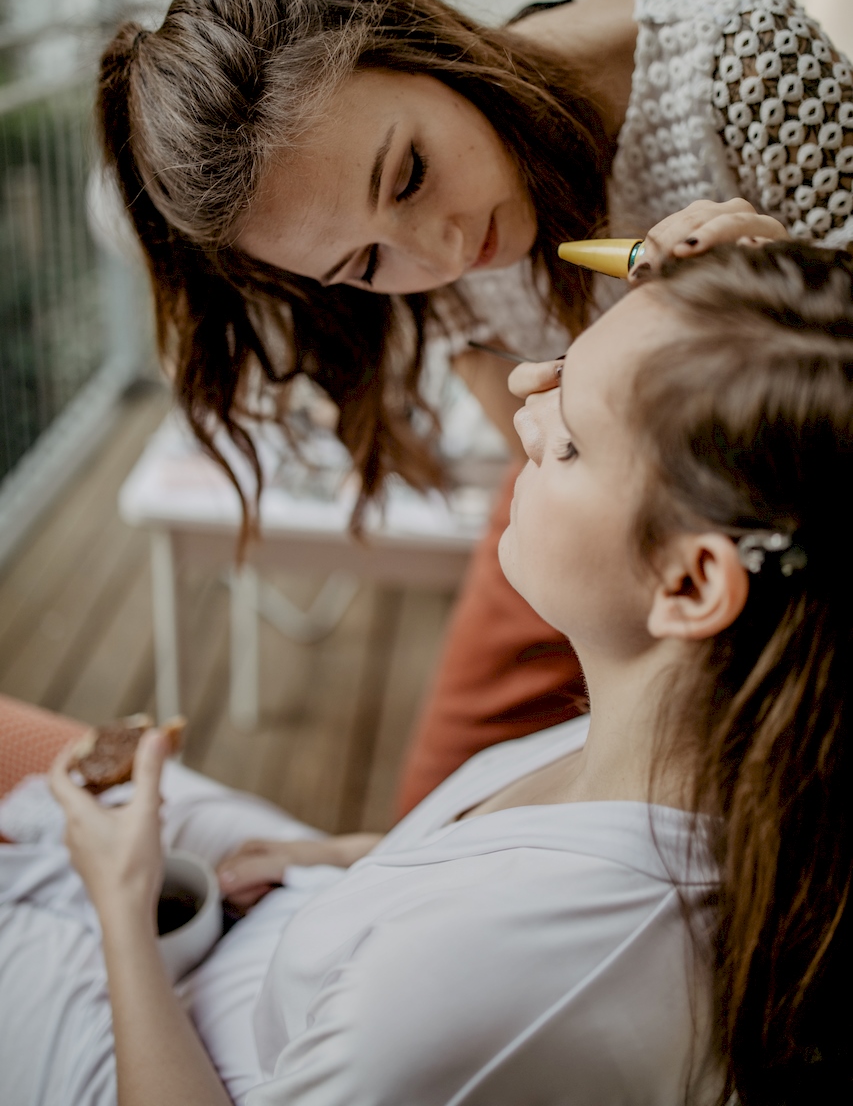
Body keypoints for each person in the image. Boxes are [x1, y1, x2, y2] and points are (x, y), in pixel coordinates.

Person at [2, 237, 851, 1104]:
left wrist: (124, 906)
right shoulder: (709, 760)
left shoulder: (488, 982)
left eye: (570, 445)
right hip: (286, 918)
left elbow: (464, 975)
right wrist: (341, 861)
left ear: (689, 581)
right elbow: (485, 876)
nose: (523, 412)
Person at [97, 0, 852, 809]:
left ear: (416, 45)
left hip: (799, 503)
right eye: (366, 263)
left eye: (410, 174)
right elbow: (529, 445)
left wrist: (788, 295)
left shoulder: (744, 63)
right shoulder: (432, 268)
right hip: (587, 486)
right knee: (441, 801)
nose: (444, 257)